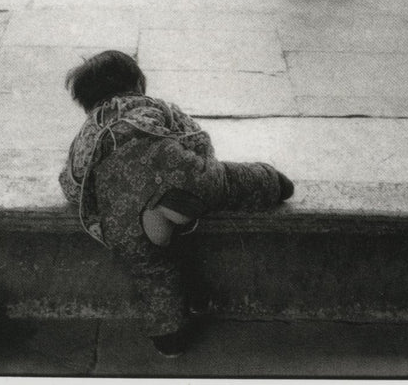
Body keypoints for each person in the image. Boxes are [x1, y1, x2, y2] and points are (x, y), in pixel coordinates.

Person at [59, 50, 294, 357]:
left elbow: (73, 182)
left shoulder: (90, 131)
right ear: (138, 83)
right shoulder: (153, 107)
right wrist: (201, 168)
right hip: (176, 178)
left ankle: (169, 340)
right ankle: (272, 182)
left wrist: (99, 207)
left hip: (123, 214)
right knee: (227, 180)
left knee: (152, 271)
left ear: (85, 102)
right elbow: (196, 138)